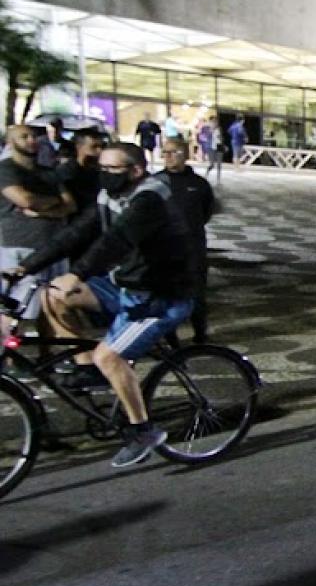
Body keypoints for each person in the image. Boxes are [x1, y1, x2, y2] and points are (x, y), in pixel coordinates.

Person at [8, 143, 195, 468]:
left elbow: (116, 240)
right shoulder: (109, 196)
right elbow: (76, 232)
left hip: (160, 297)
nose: (104, 175)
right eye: (101, 169)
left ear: (135, 171)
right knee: (52, 294)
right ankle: (87, 370)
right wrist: (28, 267)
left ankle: (143, 431)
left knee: (108, 354)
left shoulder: (150, 199)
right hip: (124, 286)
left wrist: (77, 274)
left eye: (112, 170)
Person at [0, 124, 75, 323]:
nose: (32, 141)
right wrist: (52, 202)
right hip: (18, 246)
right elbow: (25, 200)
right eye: (24, 137)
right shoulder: (6, 169)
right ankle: (7, 353)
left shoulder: (49, 172)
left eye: (34, 136)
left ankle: (46, 351)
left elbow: (70, 205)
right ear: (10, 142)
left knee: (51, 304)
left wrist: (43, 208)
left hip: (53, 247)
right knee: (14, 308)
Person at [155, 137, 217, 343]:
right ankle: (170, 336)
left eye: (174, 152)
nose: (169, 157)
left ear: (186, 155)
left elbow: (206, 211)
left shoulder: (198, 184)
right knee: (166, 293)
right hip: (163, 248)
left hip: (193, 247)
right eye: (165, 152)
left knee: (196, 293)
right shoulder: (154, 182)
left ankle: (200, 333)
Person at [55, 128, 104, 212]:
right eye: (94, 147)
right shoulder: (65, 172)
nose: (100, 151)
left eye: (102, 146)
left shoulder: (99, 172)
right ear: (79, 147)